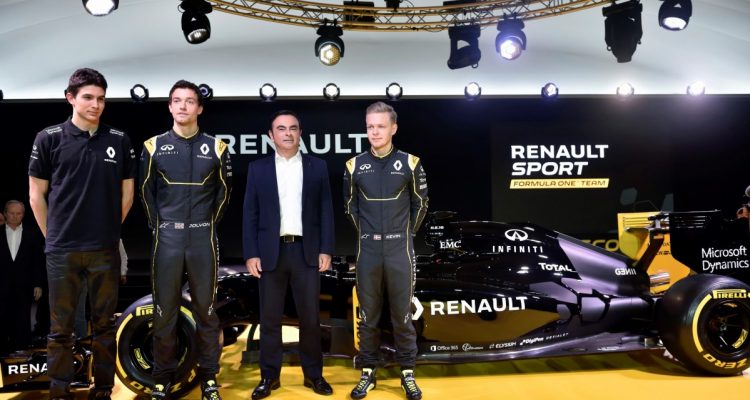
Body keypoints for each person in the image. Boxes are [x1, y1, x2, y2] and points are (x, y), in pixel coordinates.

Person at [28, 68, 136, 400]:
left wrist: (108, 230)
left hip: (104, 249)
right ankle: (60, 391)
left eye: (101, 98)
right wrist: (52, 236)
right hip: (62, 250)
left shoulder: (119, 139)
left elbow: (127, 194)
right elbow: (36, 195)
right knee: (60, 328)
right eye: (88, 97)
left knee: (104, 326)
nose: (95, 104)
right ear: (70, 98)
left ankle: (102, 389)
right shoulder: (48, 138)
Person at [140, 79, 232, 400]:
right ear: (169, 106)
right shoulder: (153, 146)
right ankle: (161, 379)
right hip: (167, 239)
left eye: (189, 101)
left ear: (199, 108)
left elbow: (223, 195)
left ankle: (209, 379)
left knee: (206, 312)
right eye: (177, 101)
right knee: (164, 312)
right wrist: (161, 228)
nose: (183, 106)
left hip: (202, 238)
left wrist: (205, 225)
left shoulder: (217, 148)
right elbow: (146, 193)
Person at [243, 110, 335, 399]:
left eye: (293, 128)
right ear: (271, 135)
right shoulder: (257, 168)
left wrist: (326, 248)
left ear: (300, 133)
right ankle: (269, 377)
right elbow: (250, 214)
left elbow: (326, 210)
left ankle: (314, 376)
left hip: (306, 252)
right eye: (281, 128)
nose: (287, 133)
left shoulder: (317, 166)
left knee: (310, 320)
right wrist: (251, 253)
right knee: (270, 320)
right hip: (270, 254)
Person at [343, 102, 428, 400]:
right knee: (367, 316)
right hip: (368, 250)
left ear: (394, 128)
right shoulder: (353, 165)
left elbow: (420, 205)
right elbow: (350, 208)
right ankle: (368, 371)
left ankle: (407, 373)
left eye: (381, 126)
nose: (375, 132)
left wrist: (402, 235)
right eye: (370, 126)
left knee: (402, 316)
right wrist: (370, 235)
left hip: (399, 250)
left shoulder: (411, 163)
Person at [0, 200, 45, 355]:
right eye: (12, 213)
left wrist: (38, 284)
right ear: (5, 214)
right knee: (2, 317)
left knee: (22, 318)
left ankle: (21, 352)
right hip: (1, 285)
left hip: (24, 285)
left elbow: (38, 261)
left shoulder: (32, 234)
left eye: (18, 213)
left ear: (23, 215)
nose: (15, 216)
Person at [74, 239, 128, 338]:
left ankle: (102, 338)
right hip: (83, 275)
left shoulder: (110, 233)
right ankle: (82, 338)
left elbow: (122, 254)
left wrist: (123, 272)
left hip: (102, 275)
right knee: (79, 311)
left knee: (102, 311)